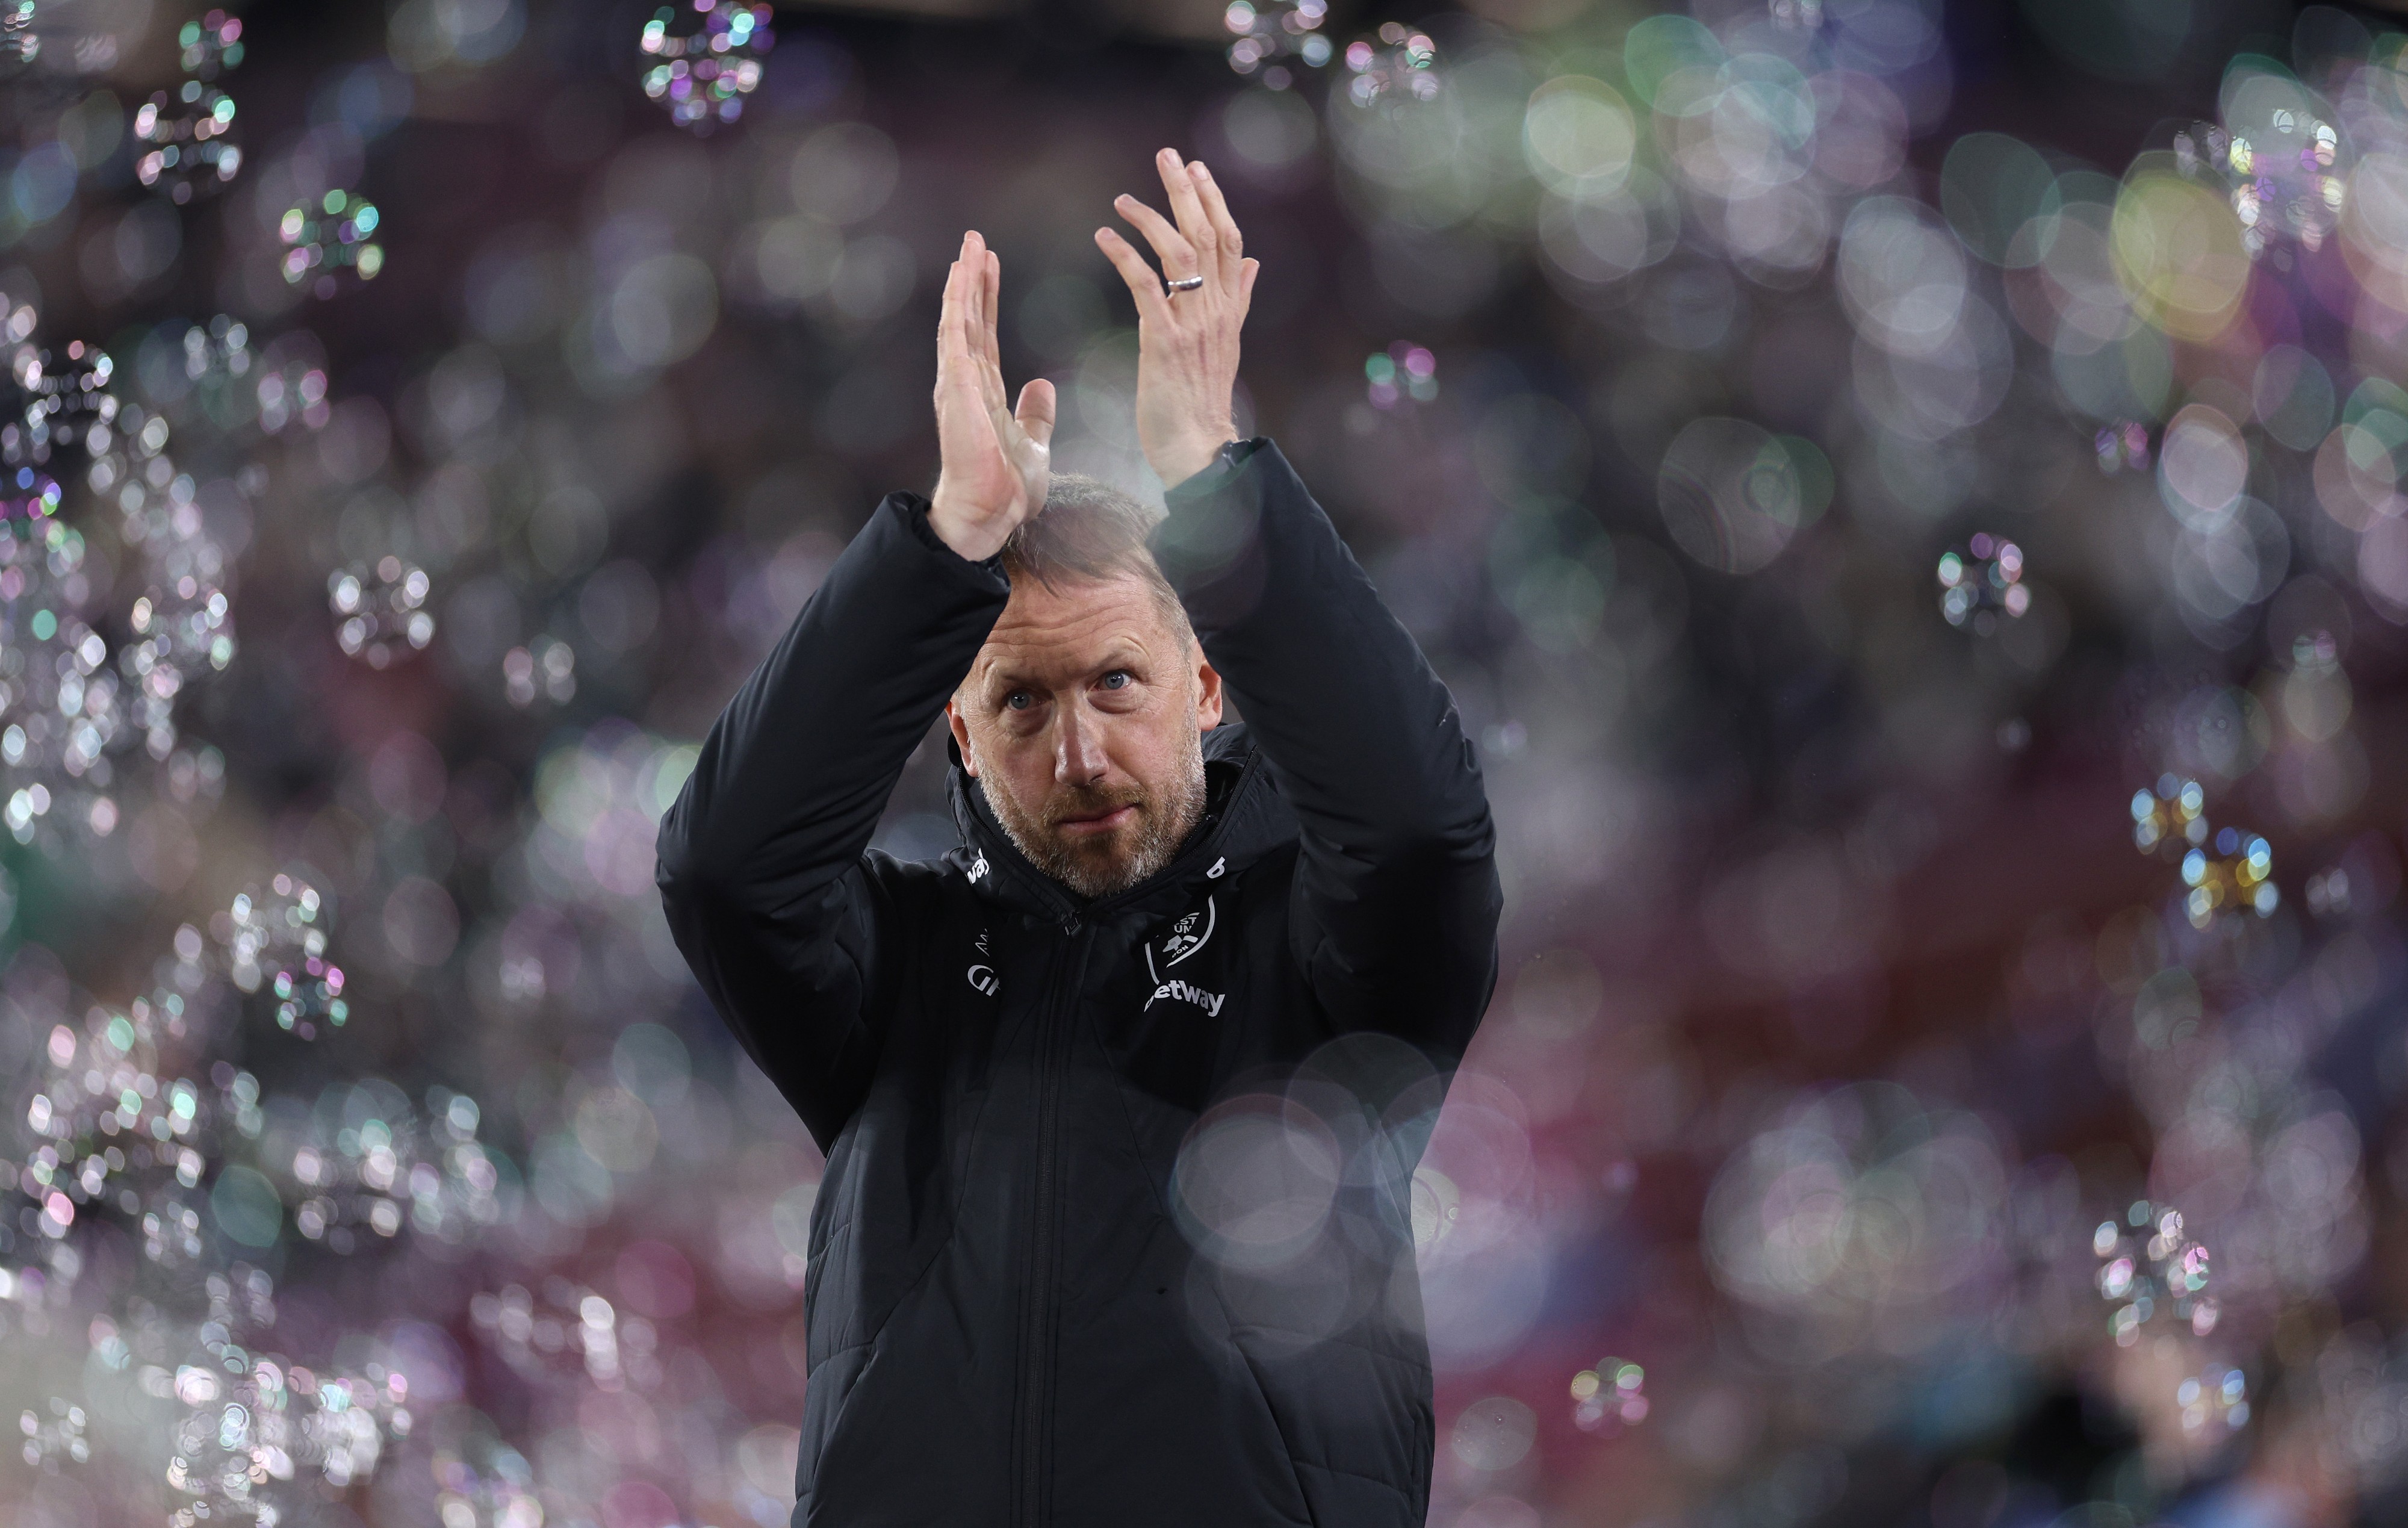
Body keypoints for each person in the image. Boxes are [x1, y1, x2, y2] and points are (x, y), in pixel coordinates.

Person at [656, 146, 1501, 1527]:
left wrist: (1216, 481)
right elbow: (723, 869)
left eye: (1118, 680)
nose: (1078, 749)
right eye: (1020, 699)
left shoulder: (1325, 962)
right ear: (960, 733)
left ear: (1208, 689)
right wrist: (941, 547)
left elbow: (1417, 833)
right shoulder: (894, 973)